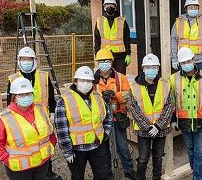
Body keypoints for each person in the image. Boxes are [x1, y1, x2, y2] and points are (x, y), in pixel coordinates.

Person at [6, 46, 60, 180]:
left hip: (42, 119)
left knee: (44, 145)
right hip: (22, 119)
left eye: (28, 59)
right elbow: (9, 103)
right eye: (23, 59)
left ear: (34, 60)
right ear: (19, 61)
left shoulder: (44, 76)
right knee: (27, 146)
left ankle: (47, 170)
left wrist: (52, 114)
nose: (26, 61)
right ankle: (28, 171)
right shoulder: (13, 79)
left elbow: (51, 98)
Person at [0, 77, 56, 180]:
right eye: (21, 95)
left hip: (42, 163)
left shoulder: (42, 109)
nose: (26, 97)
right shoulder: (4, 118)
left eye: (28, 93)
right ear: (14, 97)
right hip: (20, 169)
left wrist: (52, 143)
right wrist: (6, 159)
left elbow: (49, 131)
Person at [54, 66, 112, 180]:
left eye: (88, 81)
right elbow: (61, 130)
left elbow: (107, 118)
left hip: (97, 145)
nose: (86, 83)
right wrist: (67, 151)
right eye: (82, 80)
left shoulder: (98, 97)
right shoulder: (64, 101)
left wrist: (105, 134)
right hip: (77, 149)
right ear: (76, 81)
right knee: (77, 177)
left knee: (102, 175)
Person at [170, 47, 202, 180]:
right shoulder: (173, 79)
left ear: (193, 59)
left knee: (199, 151)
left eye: (188, 61)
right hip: (184, 122)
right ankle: (195, 169)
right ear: (180, 64)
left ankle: (198, 177)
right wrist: (173, 120)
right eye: (183, 62)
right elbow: (171, 102)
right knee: (190, 150)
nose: (186, 64)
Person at [125, 54, 174, 180]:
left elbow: (169, 107)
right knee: (143, 158)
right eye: (148, 67)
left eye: (154, 67)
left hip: (160, 129)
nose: (151, 70)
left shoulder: (165, 84)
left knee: (158, 156)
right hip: (144, 130)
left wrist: (158, 126)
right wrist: (148, 127)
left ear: (158, 68)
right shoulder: (135, 86)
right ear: (143, 68)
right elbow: (135, 110)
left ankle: (156, 178)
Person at [93, 49, 136, 179]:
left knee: (122, 146)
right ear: (98, 63)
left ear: (111, 62)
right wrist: (101, 96)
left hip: (117, 117)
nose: (104, 63)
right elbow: (89, 99)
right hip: (101, 119)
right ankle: (107, 172)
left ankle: (128, 169)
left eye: (106, 61)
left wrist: (115, 95)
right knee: (104, 148)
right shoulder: (92, 80)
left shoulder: (121, 78)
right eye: (101, 61)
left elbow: (128, 96)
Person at [94, 0, 132, 74]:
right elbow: (97, 40)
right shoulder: (99, 21)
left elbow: (127, 39)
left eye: (112, 5)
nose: (110, 7)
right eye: (107, 5)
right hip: (105, 56)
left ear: (115, 7)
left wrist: (128, 54)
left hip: (120, 56)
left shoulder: (122, 21)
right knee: (107, 78)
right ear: (104, 7)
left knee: (120, 78)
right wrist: (97, 54)